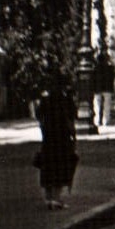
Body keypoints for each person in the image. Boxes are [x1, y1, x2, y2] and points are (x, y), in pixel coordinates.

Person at [34, 77, 79, 209]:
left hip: (48, 137)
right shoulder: (66, 99)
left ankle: (48, 198)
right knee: (61, 166)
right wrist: (73, 136)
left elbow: (39, 115)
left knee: (48, 166)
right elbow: (71, 118)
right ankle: (56, 198)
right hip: (62, 137)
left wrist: (43, 128)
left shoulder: (45, 99)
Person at [94, 48, 115, 127]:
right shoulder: (110, 67)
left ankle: (97, 120)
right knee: (107, 105)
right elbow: (113, 77)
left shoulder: (95, 68)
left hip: (98, 88)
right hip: (107, 88)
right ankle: (106, 120)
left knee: (97, 105)